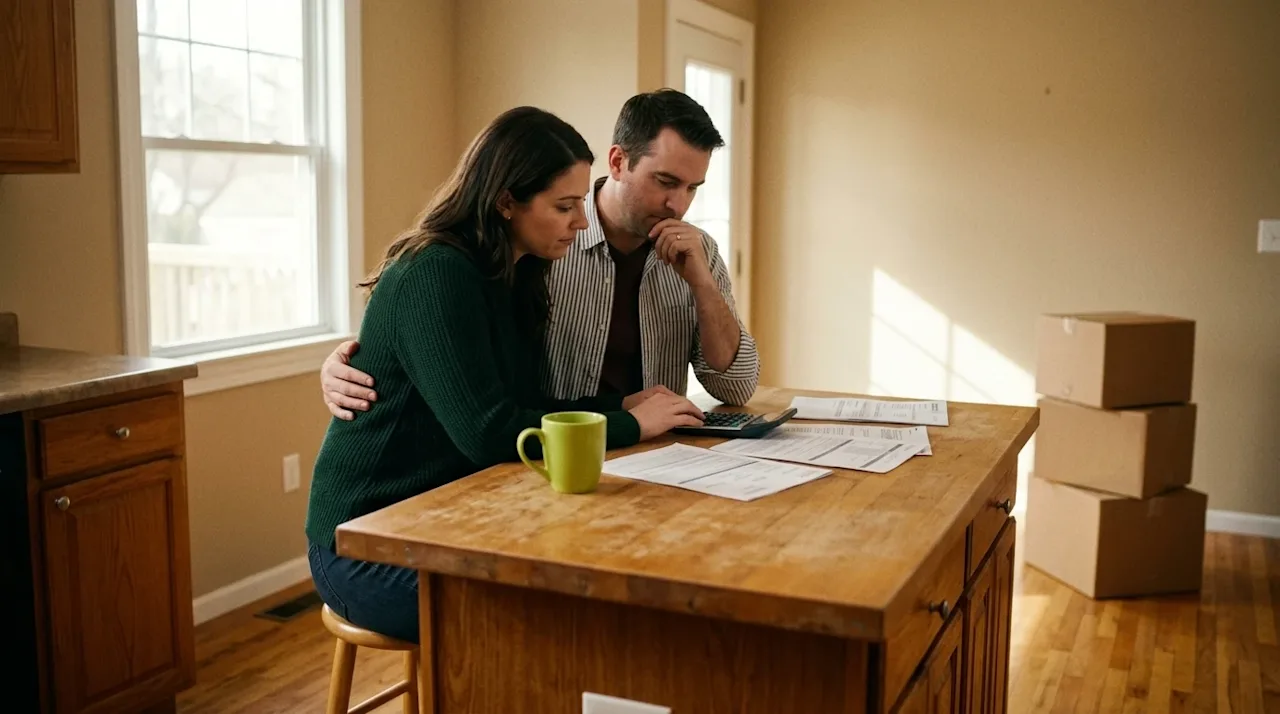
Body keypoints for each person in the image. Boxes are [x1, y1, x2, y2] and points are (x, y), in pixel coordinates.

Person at [305, 106, 707, 643]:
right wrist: (632, 426)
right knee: (550, 621)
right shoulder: (437, 273)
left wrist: (622, 406)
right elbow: (490, 433)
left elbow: (525, 401)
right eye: (565, 206)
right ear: (505, 201)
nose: (581, 219)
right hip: (364, 543)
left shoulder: (516, 272)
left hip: (446, 520)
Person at [320, 89, 759, 420]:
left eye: (692, 189)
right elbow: (454, 353)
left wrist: (702, 283)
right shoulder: (534, 242)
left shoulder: (697, 251)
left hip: (651, 460)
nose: (678, 205)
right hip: (536, 461)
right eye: (666, 182)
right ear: (619, 161)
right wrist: (357, 363)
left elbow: (736, 388)